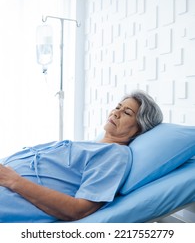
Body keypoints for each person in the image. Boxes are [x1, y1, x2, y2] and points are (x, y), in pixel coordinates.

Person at [0, 90, 163, 223]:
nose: (116, 112)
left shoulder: (114, 154)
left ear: (139, 129)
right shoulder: (90, 144)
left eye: (127, 112)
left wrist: (14, 181)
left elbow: (77, 209)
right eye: (118, 107)